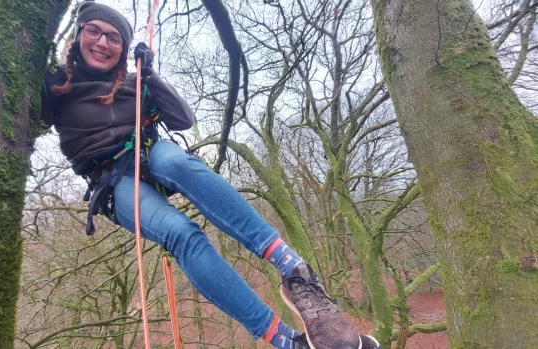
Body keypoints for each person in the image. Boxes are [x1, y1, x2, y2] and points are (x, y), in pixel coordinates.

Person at [41, 2, 380, 349]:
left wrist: (150, 76)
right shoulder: (56, 87)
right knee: (180, 232)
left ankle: (290, 266)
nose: (102, 42)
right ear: (79, 34)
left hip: (150, 151)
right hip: (113, 180)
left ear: (123, 49)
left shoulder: (134, 82)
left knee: (178, 163)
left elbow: (182, 120)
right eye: (94, 31)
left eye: (114, 38)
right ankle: (284, 340)